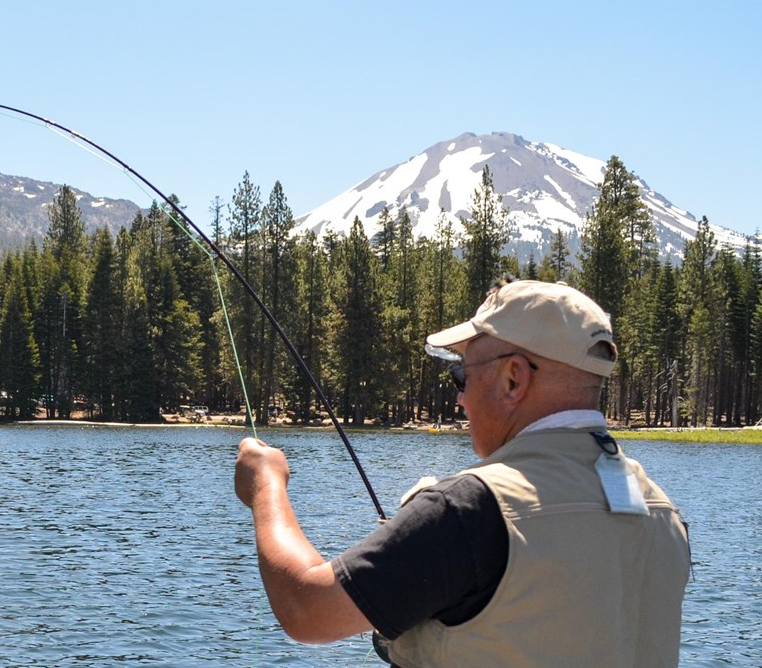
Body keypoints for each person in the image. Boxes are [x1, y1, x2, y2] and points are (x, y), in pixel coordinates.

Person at [235, 279, 690, 667]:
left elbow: (306, 609)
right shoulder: (663, 512)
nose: (460, 399)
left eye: (462, 377)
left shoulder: (469, 509)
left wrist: (265, 486)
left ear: (514, 378)